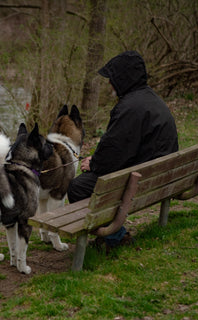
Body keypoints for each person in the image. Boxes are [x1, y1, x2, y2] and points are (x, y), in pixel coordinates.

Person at [67, 50, 179, 250]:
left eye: (113, 78)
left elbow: (112, 154)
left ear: (123, 78)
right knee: (98, 180)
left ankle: (115, 237)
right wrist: (99, 160)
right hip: (160, 177)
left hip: (139, 181)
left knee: (78, 187)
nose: (110, 83)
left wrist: (93, 163)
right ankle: (116, 234)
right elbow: (122, 148)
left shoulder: (128, 108)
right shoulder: (151, 99)